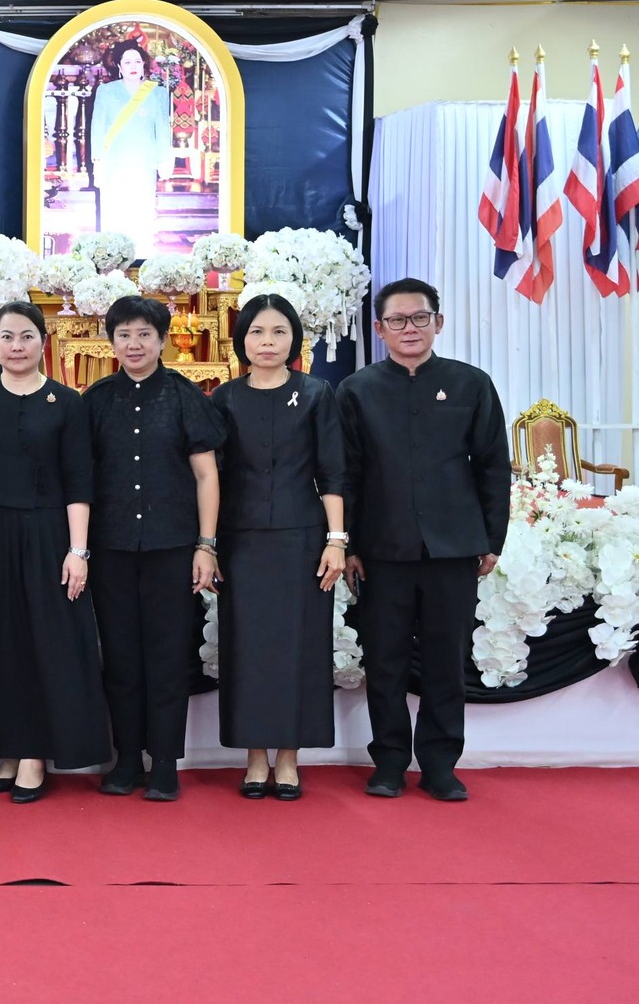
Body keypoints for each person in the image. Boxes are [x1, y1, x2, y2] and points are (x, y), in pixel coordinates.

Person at [339, 278, 510, 801]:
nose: (408, 329)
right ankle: (389, 761)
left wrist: (491, 539)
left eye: (419, 318)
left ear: (438, 321)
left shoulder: (471, 384)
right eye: (397, 320)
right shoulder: (357, 390)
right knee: (384, 660)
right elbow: (346, 473)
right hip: (381, 550)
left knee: (445, 662)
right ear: (379, 329)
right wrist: (347, 544)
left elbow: (492, 467)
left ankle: (439, 764)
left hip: (452, 547)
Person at [0, 300, 109, 801]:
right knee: (0, 645)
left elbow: (80, 481)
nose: (15, 347)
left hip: (49, 538)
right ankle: (10, 749)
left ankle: (38, 753)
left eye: (26, 336)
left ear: (44, 342)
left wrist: (78, 551)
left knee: (48, 645)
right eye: (6, 337)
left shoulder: (67, 402)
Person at [83, 295, 223, 801]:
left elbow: (207, 475)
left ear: (163, 340)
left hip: (172, 547)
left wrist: (206, 545)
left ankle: (164, 762)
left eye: (144, 334)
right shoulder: (95, 401)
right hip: (112, 548)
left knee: (167, 657)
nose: (134, 344)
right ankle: (126, 760)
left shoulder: (187, 397)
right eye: (124, 334)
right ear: (111, 340)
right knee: (120, 657)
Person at [210, 294, 347, 800]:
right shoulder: (225, 398)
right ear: (242, 340)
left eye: (278, 332)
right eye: (257, 333)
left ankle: (288, 757)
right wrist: (209, 544)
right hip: (241, 540)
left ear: (294, 339)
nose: (267, 343)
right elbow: (214, 477)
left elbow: (333, 472)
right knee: (246, 647)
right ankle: (253, 757)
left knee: (299, 647)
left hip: (303, 538)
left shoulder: (316, 393)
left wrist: (336, 540)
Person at [88, 41, 173, 257]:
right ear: (119, 66)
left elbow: (162, 128)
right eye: (127, 62)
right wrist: (97, 161)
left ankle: (142, 257)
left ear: (144, 63)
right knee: (114, 212)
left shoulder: (157, 93)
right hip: (113, 163)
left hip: (144, 162)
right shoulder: (106, 92)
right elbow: (97, 127)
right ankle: (112, 258)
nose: (133, 65)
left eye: (137, 60)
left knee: (141, 212)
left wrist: (164, 160)